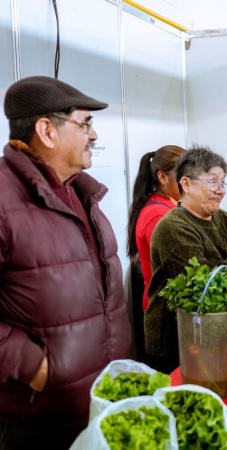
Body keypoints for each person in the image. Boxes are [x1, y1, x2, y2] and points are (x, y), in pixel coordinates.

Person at [0, 75, 132, 450]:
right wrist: (30, 365)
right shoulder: (4, 198)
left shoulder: (80, 193)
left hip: (98, 408)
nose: (93, 135)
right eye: (85, 123)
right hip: (39, 422)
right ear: (47, 130)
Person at [144, 144, 227, 374]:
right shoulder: (172, 228)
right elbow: (207, 290)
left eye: (223, 183)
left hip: (211, 332)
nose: (221, 190)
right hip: (177, 342)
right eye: (212, 182)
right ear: (186, 183)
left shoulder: (221, 218)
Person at [126, 145, 186, 312]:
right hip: (163, 310)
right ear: (163, 177)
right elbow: (178, 269)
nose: (188, 182)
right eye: (183, 176)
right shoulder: (157, 215)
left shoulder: (169, 208)